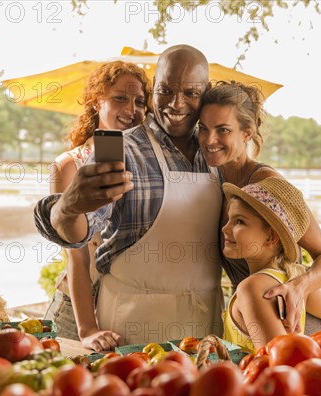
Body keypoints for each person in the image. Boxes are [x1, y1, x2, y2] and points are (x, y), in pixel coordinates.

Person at [35, 45, 225, 346]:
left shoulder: (218, 153)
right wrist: (67, 209)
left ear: (208, 91)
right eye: (165, 91)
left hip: (205, 325)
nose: (177, 104)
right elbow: (79, 236)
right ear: (154, 91)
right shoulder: (118, 149)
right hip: (131, 328)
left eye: (191, 93)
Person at [198, 81, 321, 334]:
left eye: (223, 130)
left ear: (247, 133)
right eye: (203, 128)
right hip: (250, 320)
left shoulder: (267, 184)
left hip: (288, 321)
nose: (210, 140)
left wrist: (299, 288)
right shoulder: (214, 180)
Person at [44, 61, 151, 350]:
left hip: (125, 303)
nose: (131, 109)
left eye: (140, 101)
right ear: (96, 101)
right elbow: (76, 257)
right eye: (120, 98)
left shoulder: (150, 163)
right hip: (78, 308)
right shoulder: (69, 165)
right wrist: (88, 329)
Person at [221, 177, 321, 351]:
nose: (225, 228)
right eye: (229, 219)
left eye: (240, 221)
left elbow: (276, 364)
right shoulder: (293, 280)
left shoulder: (253, 288)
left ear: (271, 237)